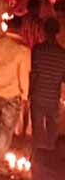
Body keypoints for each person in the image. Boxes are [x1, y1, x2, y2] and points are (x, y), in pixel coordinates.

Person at [0, 14, 31, 173]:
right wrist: (25, 96)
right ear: (21, 29)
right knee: (5, 130)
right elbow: (24, 74)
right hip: (12, 94)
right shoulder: (23, 50)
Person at [29, 18, 65, 151]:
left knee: (37, 128)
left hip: (37, 95)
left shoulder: (38, 50)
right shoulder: (62, 54)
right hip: (53, 97)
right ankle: (51, 153)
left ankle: (37, 154)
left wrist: (29, 91)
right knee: (52, 129)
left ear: (44, 31)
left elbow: (33, 73)